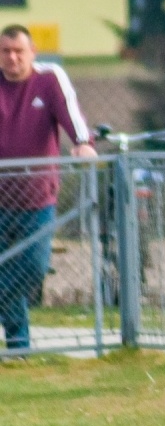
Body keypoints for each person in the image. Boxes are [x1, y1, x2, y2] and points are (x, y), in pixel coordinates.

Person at [0, 25, 95, 351]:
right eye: (5, 51)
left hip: (37, 199)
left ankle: (19, 346)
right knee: (7, 273)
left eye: (18, 51)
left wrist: (83, 143)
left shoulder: (49, 79)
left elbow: (72, 114)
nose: (12, 58)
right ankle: (19, 347)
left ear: (32, 52)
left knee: (33, 267)